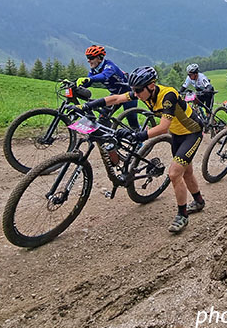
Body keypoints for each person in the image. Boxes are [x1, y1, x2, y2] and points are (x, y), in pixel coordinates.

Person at [78, 66, 204, 233]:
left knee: (174, 174)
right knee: (186, 173)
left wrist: (138, 136)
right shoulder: (143, 92)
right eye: (134, 90)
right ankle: (199, 201)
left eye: (138, 90)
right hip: (177, 134)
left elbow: (163, 127)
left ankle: (182, 215)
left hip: (192, 133)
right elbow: (116, 98)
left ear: (151, 86)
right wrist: (88, 106)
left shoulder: (168, 95)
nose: (135, 94)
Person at [75, 45, 138, 129]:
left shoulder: (109, 66)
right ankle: (113, 133)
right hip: (115, 94)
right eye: (87, 57)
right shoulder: (94, 69)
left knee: (132, 120)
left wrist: (90, 79)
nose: (88, 60)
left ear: (99, 58)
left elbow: (104, 76)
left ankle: (140, 134)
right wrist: (75, 84)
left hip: (129, 93)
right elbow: (88, 82)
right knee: (103, 117)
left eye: (91, 58)